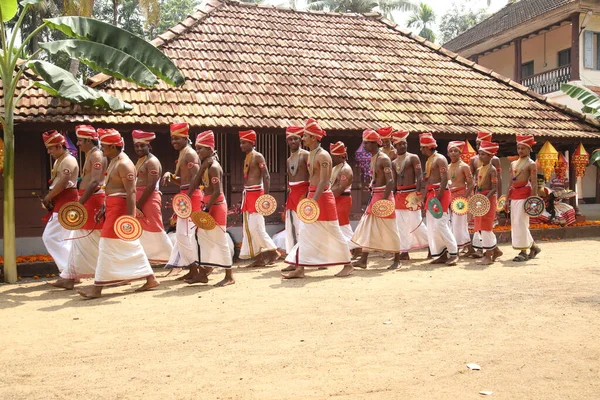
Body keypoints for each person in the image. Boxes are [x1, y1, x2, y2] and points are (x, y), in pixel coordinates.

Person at [77, 128, 159, 299]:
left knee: (107, 245)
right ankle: (150, 278)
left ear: (114, 147)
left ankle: (97, 288)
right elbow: (111, 189)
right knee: (127, 245)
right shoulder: (114, 160)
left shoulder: (124, 164)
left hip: (121, 210)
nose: (102, 148)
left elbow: (131, 192)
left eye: (105, 146)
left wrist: (130, 218)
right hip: (113, 207)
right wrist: (104, 208)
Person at [283, 119, 353, 278]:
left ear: (314, 138)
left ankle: (348, 264)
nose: (303, 138)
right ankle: (300, 269)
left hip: (322, 198)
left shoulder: (323, 156)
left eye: (306, 136)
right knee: (305, 232)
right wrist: (310, 198)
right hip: (313, 196)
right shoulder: (312, 154)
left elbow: (324, 181)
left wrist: (313, 199)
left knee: (334, 232)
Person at [49, 125, 106, 289]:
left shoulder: (96, 155)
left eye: (80, 140)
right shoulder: (91, 154)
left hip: (92, 201)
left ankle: (71, 277)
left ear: (88, 140)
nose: (78, 143)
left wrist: (79, 204)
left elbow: (95, 182)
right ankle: (70, 276)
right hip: (88, 199)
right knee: (82, 240)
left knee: (84, 240)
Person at [185, 131, 234, 286]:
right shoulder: (206, 166)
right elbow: (195, 181)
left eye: (200, 149)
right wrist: (186, 198)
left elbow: (218, 191)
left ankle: (229, 276)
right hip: (207, 205)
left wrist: (207, 208)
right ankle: (203, 273)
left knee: (220, 240)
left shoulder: (214, 167)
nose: (197, 152)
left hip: (216, 206)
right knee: (202, 237)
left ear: (210, 149)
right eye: (197, 149)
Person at [351, 129, 401, 269]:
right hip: (376, 196)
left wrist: (384, 201)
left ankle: (397, 260)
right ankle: (363, 260)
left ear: (374, 144)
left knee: (390, 229)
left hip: (384, 197)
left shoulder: (384, 158)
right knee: (368, 227)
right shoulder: (374, 158)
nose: (364, 146)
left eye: (367, 143)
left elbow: (390, 181)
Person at [162, 122, 202, 279]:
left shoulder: (190, 154)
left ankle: (196, 269)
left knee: (186, 235)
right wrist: (171, 176)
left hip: (191, 197)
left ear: (186, 137)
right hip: (185, 196)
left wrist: (187, 196)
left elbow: (197, 178)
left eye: (177, 139)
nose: (174, 142)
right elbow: (183, 181)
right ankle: (192, 269)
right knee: (181, 235)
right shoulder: (183, 154)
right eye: (172, 139)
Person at [238, 130, 279, 266]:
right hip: (248, 194)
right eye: (241, 143)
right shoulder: (248, 156)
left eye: (244, 143)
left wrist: (265, 197)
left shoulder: (258, 156)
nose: (241, 145)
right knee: (250, 228)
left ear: (252, 143)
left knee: (257, 227)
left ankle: (273, 251)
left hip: (257, 195)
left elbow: (266, 176)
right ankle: (260, 258)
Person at [41, 130, 79, 274]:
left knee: (50, 237)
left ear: (59, 146)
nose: (49, 151)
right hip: (63, 201)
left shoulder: (68, 160)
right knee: (65, 239)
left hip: (67, 201)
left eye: (51, 148)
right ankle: (70, 271)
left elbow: (63, 183)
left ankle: (68, 271)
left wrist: (48, 197)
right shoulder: (59, 160)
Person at [132, 130, 173, 263]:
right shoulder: (140, 161)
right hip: (139, 199)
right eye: (136, 146)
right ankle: (149, 258)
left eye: (142, 146)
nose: (139, 148)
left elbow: (150, 185)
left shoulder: (152, 161)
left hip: (149, 199)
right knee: (142, 230)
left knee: (155, 227)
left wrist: (139, 204)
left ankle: (171, 257)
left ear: (148, 146)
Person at [419, 132, 458, 265]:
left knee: (441, 224)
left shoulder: (440, 159)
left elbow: (444, 180)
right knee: (433, 226)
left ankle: (453, 253)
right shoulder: (429, 160)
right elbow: (428, 180)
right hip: (431, 193)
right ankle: (442, 253)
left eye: (422, 147)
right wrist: (425, 197)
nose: (421, 150)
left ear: (428, 147)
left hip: (440, 193)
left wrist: (438, 197)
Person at [392, 129, 429, 260]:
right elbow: (394, 182)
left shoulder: (413, 157)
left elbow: (420, 177)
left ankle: (431, 245)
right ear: (395, 146)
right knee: (401, 225)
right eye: (399, 144)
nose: (402, 146)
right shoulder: (393, 162)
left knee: (416, 223)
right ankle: (404, 251)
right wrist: (393, 195)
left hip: (412, 193)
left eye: (404, 143)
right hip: (399, 195)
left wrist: (418, 193)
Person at [469, 131, 503, 256]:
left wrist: (493, 198)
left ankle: (488, 253)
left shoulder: (493, 167)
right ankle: (494, 250)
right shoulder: (477, 166)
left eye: (483, 153)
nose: (480, 154)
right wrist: (474, 197)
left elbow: (496, 184)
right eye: (477, 145)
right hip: (479, 197)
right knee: (479, 224)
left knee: (486, 225)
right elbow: (474, 181)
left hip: (487, 198)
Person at [508, 134, 541, 262]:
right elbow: (509, 182)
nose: (520, 151)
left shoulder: (531, 164)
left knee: (521, 223)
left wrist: (533, 200)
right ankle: (534, 246)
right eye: (519, 148)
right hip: (514, 195)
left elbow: (533, 183)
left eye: (523, 148)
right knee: (516, 223)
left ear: (529, 150)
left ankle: (523, 252)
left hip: (525, 196)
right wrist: (506, 198)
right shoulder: (513, 164)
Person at [283, 125, 309, 255]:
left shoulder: (306, 156)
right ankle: (294, 258)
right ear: (287, 141)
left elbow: (314, 176)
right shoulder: (288, 160)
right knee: (292, 228)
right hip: (292, 196)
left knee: (306, 228)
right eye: (290, 139)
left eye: (296, 139)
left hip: (304, 195)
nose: (293, 141)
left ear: (301, 140)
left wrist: (309, 196)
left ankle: (312, 258)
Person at [329, 141, 358, 251]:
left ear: (341, 156)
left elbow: (339, 189)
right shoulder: (336, 167)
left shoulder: (345, 169)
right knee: (338, 225)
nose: (332, 159)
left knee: (342, 225)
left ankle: (355, 246)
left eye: (334, 157)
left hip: (342, 199)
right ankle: (353, 247)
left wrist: (325, 195)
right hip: (336, 199)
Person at [447, 140, 475, 252]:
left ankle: (458, 248)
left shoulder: (464, 166)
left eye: (455, 151)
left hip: (460, 197)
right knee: (453, 223)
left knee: (460, 223)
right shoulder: (447, 167)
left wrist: (464, 198)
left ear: (460, 153)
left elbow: (471, 184)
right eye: (451, 151)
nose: (453, 153)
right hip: (450, 196)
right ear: (448, 153)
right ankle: (468, 248)